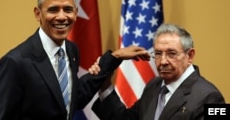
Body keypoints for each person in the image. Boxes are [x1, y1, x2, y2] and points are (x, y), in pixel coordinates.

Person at [0, 0, 150, 120]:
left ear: (76, 13)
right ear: (38, 14)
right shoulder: (15, 62)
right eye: (53, 10)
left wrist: (114, 57)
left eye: (67, 9)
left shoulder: (71, 50)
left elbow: (73, 98)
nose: (61, 17)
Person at [89, 23, 225, 120]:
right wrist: (105, 85)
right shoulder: (154, 85)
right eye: (158, 54)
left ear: (190, 56)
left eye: (172, 53)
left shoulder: (211, 97)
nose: (163, 61)